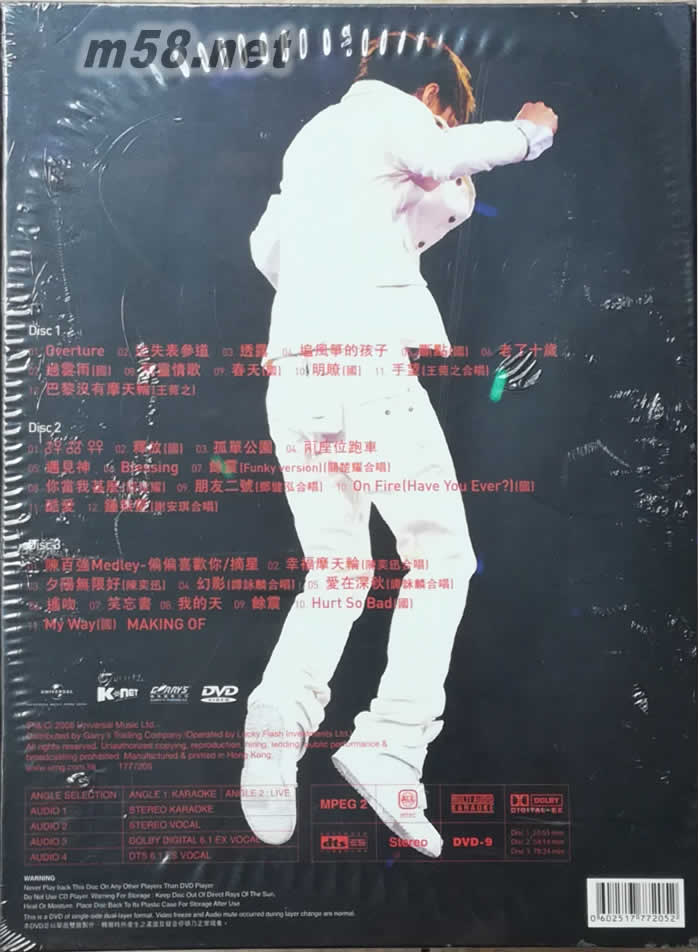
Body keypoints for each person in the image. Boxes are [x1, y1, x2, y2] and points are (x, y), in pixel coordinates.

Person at [242, 32, 558, 858]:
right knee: (441, 559)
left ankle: (276, 728)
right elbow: (440, 155)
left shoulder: (313, 144)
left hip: (295, 379)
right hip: (366, 377)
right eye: (448, 115)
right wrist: (528, 133)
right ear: (430, 95)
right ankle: (392, 741)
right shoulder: (390, 112)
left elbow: (267, 248)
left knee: (337, 571)